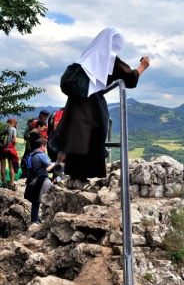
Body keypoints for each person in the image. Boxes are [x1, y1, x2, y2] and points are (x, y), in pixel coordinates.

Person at [56, 26, 150, 190]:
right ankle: (82, 178)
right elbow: (130, 78)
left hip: (74, 105)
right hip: (92, 105)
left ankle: (74, 176)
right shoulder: (110, 59)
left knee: (77, 137)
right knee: (93, 136)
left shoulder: (88, 56)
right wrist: (142, 66)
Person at [24, 138, 54, 225]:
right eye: (45, 147)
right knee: (48, 201)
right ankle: (48, 222)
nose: (45, 149)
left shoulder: (31, 154)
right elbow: (48, 168)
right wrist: (54, 164)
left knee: (35, 201)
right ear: (42, 146)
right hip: (42, 181)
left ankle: (35, 220)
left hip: (33, 180)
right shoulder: (41, 155)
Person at [0, 118, 20, 190]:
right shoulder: (13, 129)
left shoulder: (3, 128)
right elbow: (14, 140)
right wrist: (12, 147)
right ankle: (11, 184)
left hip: (2, 149)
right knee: (11, 167)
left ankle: (4, 183)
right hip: (10, 149)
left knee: (2, 166)